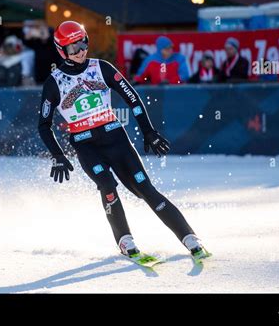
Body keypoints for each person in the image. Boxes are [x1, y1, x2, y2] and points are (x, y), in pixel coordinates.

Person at [38, 21, 210, 264]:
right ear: (61, 50)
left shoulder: (102, 68)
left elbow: (134, 99)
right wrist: (58, 155)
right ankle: (125, 240)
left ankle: (189, 237)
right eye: (72, 48)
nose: (80, 51)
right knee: (107, 184)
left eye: (83, 43)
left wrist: (148, 132)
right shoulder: (54, 82)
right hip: (86, 146)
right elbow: (43, 125)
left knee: (145, 189)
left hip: (116, 138)